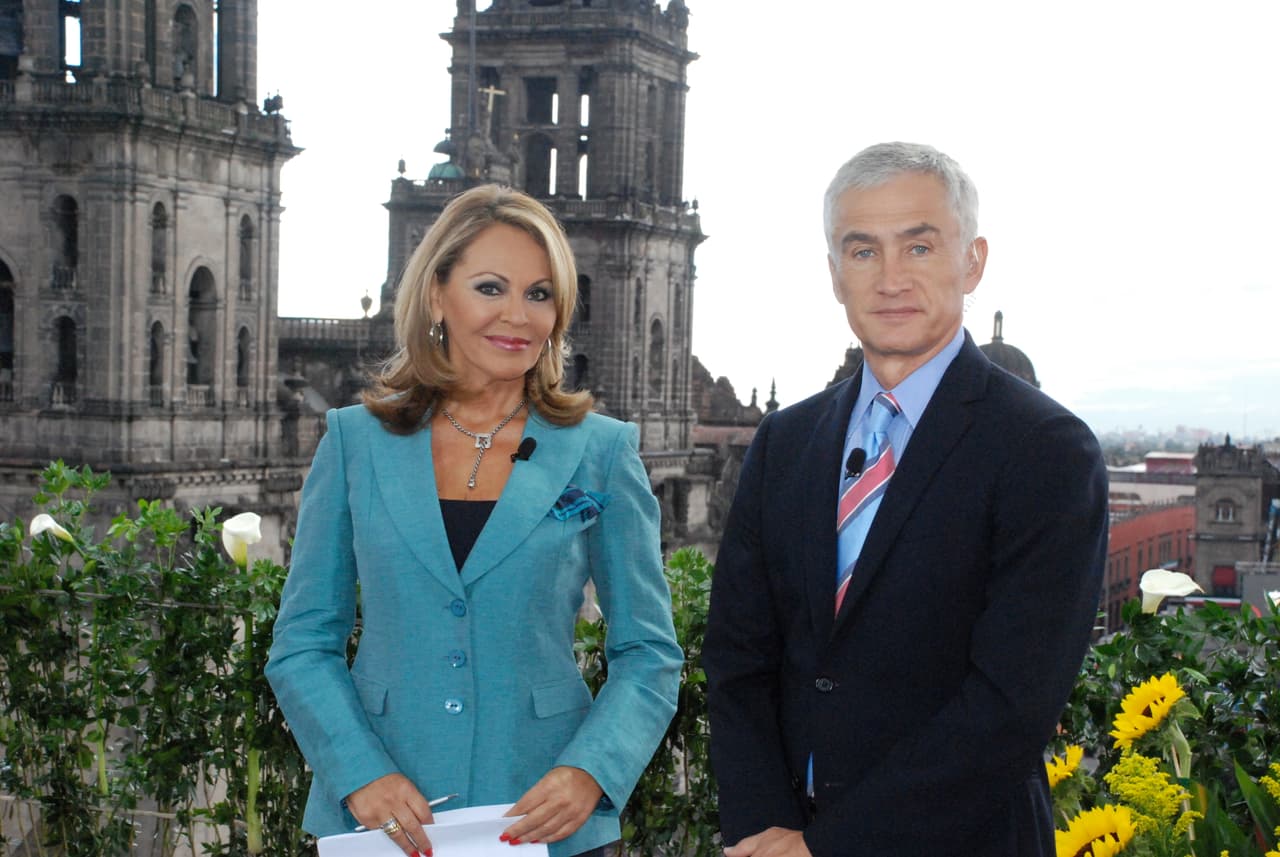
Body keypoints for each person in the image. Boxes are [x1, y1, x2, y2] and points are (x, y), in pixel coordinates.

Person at [703, 142, 1107, 857]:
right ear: (834, 274)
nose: (891, 278)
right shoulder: (785, 442)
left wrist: (829, 847)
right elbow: (738, 658)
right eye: (862, 252)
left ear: (973, 260)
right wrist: (764, 829)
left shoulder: (1047, 448)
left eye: (918, 247)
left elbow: (1010, 705)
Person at [266, 184, 682, 857]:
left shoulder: (603, 451)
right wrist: (359, 772)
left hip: (548, 825)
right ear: (437, 294)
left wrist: (591, 770)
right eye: (491, 287)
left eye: (540, 294)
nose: (518, 315)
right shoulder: (353, 442)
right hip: (382, 825)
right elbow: (304, 643)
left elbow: (649, 653)